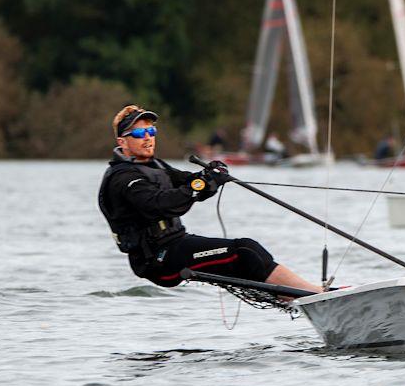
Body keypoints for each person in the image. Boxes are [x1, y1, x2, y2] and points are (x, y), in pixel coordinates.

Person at [98, 105, 319, 291]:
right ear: (123, 142)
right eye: (138, 134)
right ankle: (312, 293)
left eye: (151, 132)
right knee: (246, 250)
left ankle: (301, 295)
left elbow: (189, 181)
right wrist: (199, 185)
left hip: (175, 244)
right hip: (158, 260)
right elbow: (160, 204)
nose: (147, 138)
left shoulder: (154, 166)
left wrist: (212, 175)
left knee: (247, 258)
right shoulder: (123, 178)